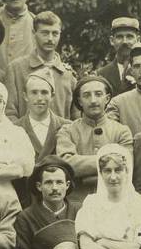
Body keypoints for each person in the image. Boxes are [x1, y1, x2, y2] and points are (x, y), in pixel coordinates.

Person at [57, 75, 134, 203]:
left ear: (107, 98)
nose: (93, 100)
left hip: (114, 201)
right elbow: (67, 165)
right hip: (77, 202)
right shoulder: (67, 131)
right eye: (87, 95)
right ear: (80, 101)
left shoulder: (122, 131)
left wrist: (83, 168)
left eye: (98, 94)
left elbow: (125, 165)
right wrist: (108, 160)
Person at [10, 157, 80, 249]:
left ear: (67, 185)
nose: (54, 188)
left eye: (59, 182)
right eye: (48, 182)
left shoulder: (80, 211)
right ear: (39, 186)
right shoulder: (26, 217)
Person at [4, 10, 77, 120]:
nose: (50, 39)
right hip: (25, 135)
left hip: (61, 136)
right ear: (34, 33)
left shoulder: (68, 74)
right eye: (45, 33)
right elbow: (9, 113)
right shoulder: (16, 69)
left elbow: (75, 117)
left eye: (55, 33)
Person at [96, 17, 139, 95]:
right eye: (119, 37)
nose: (124, 42)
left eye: (129, 37)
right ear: (112, 41)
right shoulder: (102, 74)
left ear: (138, 40)